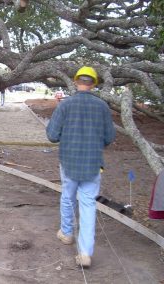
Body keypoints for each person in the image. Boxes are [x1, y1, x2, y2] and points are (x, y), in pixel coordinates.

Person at [46, 66, 116, 268]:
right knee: (88, 205)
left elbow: (52, 135)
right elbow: (110, 137)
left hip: (68, 163)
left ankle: (67, 233)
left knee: (68, 197)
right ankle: (85, 252)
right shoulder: (102, 106)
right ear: (94, 84)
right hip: (93, 165)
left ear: (76, 82)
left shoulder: (65, 105)